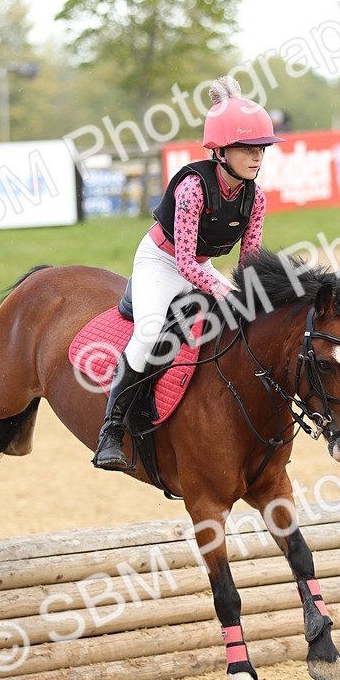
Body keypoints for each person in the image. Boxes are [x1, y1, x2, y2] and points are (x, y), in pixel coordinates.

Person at [93, 75, 283, 470]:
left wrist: (255, 297)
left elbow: (249, 260)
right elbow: (182, 263)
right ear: (221, 150)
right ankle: (110, 432)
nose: (257, 157)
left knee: (246, 320)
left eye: (261, 148)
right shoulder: (193, 188)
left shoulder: (256, 198)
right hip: (160, 263)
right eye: (247, 148)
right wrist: (225, 292)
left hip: (202, 266)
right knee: (147, 334)